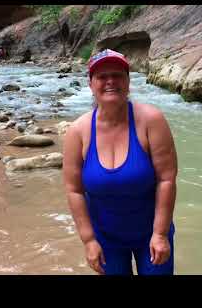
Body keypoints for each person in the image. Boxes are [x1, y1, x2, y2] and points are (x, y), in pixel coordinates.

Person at [63, 49, 178, 275]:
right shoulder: (77, 131)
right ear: (91, 83)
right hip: (106, 238)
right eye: (102, 77)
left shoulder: (151, 120)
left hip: (152, 232)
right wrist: (88, 241)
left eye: (117, 75)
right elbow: (74, 190)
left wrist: (161, 234)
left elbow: (166, 179)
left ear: (128, 81)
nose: (110, 81)